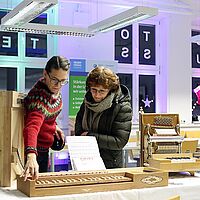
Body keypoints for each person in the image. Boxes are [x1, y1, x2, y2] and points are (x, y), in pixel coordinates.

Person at [22, 56, 70, 181]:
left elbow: (47, 116)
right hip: (34, 151)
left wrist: (54, 126)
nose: (58, 85)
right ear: (45, 73)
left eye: (63, 81)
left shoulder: (53, 91)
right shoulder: (39, 98)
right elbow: (31, 127)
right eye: (54, 79)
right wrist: (31, 155)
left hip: (44, 149)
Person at [75, 66, 132, 168]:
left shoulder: (122, 107)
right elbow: (79, 126)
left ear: (111, 90)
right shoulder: (87, 102)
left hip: (110, 164)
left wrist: (90, 137)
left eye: (102, 91)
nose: (96, 95)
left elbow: (119, 142)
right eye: (94, 90)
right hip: (85, 160)